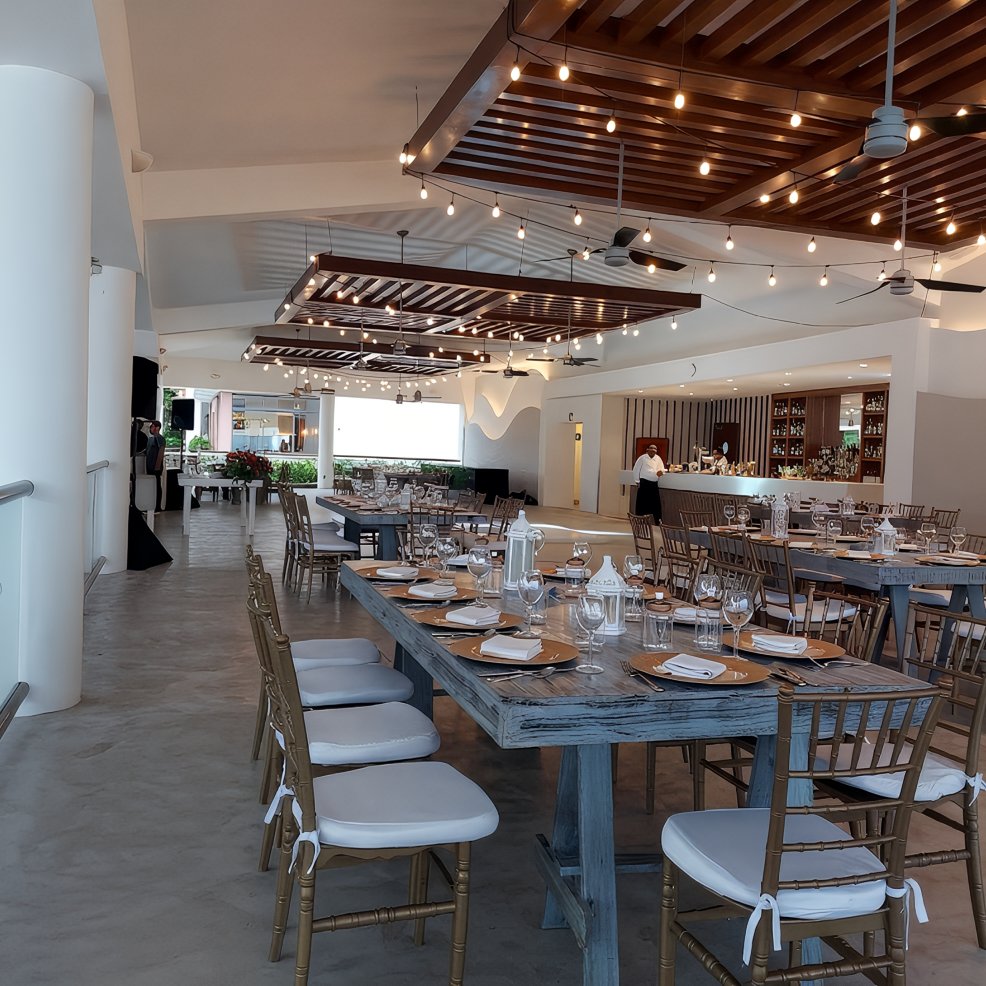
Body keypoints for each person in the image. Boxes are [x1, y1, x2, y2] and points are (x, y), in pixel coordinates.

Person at [631, 443, 665, 523]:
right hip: (644, 483)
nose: (653, 450)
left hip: (654, 484)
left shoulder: (658, 458)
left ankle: (657, 522)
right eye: (651, 448)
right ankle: (640, 521)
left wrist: (661, 472)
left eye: (655, 449)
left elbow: (661, 469)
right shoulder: (642, 458)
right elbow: (636, 469)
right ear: (647, 450)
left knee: (656, 504)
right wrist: (637, 481)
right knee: (642, 503)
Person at [146, 420, 165, 512]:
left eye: (153, 426)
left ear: (157, 428)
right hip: (149, 465)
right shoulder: (150, 439)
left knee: (157, 486)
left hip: (155, 467)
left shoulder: (160, 439)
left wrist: (157, 466)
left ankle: (157, 506)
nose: (151, 428)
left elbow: (161, 452)